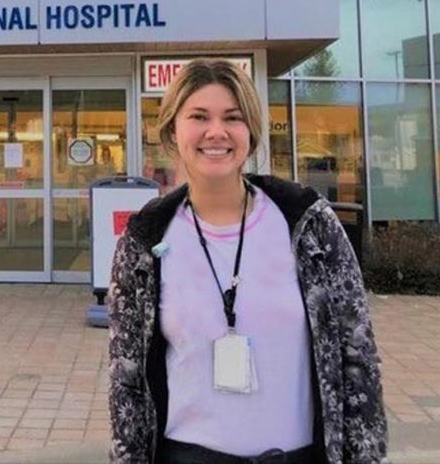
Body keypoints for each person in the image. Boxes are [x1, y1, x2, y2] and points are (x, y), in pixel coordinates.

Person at [108, 59, 387, 464]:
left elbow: (357, 360)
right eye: (199, 116)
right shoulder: (145, 239)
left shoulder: (308, 225)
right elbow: (127, 385)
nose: (216, 131)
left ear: (251, 132)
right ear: (172, 130)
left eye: (232, 118)